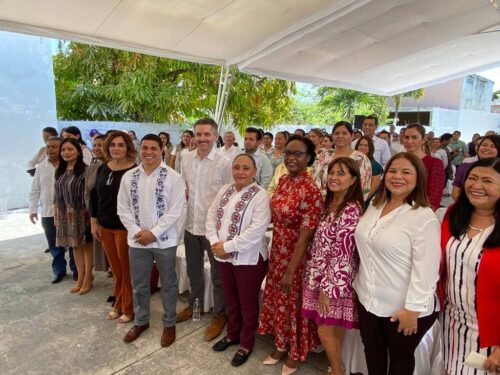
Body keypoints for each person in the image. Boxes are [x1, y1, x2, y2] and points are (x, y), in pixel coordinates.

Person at [354, 152, 441, 375]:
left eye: (406, 172)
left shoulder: (423, 217)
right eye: (392, 171)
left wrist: (413, 310)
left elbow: (427, 271)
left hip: (403, 307)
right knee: (373, 352)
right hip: (368, 298)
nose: (397, 176)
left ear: (418, 177)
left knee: (400, 361)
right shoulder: (375, 204)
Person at [258, 135, 322, 375]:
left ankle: (296, 352)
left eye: (298, 154)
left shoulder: (311, 190)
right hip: (278, 250)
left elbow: (306, 236)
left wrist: (290, 270)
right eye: (288, 153)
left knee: (293, 304)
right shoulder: (284, 181)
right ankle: (281, 344)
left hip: (296, 257)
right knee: (278, 301)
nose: (291, 158)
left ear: (309, 157)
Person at [117, 134, 185, 346]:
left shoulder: (173, 177)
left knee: (169, 284)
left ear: (162, 149)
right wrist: (139, 232)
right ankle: (141, 321)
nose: (148, 152)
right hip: (137, 241)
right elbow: (123, 208)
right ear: (139, 149)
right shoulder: (129, 176)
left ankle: (169, 323)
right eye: (144, 148)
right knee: (139, 285)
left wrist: (153, 233)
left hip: (164, 241)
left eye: (153, 148)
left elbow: (175, 211)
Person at [206, 154, 271, 367]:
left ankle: (246, 343)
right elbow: (211, 216)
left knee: (248, 303)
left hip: (248, 259)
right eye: (237, 167)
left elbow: (256, 231)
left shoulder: (260, 195)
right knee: (231, 298)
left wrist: (227, 247)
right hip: (223, 256)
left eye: (246, 168)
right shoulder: (225, 189)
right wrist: (216, 243)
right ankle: (232, 334)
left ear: (254, 171)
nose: (240, 172)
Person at [302, 157, 364, 375]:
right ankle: (336, 367)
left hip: (335, 282)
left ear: (353, 180)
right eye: (332, 172)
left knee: (326, 330)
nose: (334, 177)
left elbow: (343, 253)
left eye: (341, 173)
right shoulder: (330, 203)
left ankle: (337, 371)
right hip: (319, 274)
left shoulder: (351, 209)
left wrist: (327, 289)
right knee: (332, 329)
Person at [440, 157, 500, 375]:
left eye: (487, 181)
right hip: (451, 321)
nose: (476, 186)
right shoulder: (454, 214)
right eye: (472, 178)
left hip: (490, 331)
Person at [176, 118, 232, 341]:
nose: (202, 139)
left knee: (219, 277)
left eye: (207, 134)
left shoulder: (224, 162)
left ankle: (220, 315)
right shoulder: (185, 158)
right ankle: (195, 307)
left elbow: (230, 196)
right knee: (194, 272)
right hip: (191, 225)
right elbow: (185, 188)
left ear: (216, 136)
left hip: (214, 231)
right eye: (198, 134)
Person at [91, 131, 137, 323]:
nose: (116, 148)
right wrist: (94, 220)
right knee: (116, 271)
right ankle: (118, 303)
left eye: (120, 145)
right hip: (105, 226)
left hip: (124, 228)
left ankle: (128, 307)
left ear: (128, 148)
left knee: (126, 271)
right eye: (112, 145)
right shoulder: (103, 168)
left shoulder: (134, 171)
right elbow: (95, 196)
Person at [29, 136, 72, 283]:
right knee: (54, 244)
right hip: (48, 212)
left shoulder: (69, 166)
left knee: (72, 243)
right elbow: (35, 190)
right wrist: (32, 209)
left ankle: (76, 269)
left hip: (69, 212)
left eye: (54, 146)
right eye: (48, 147)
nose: (50, 149)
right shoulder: (41, 167)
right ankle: (59, 270)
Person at [54, 138, 93, 294]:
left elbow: (90, 195)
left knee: (86, 246)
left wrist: (91, 216)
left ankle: (88, 277)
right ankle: (81, 277)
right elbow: (56, 195)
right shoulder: (60, 170)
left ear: (78, 151)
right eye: (63, 150)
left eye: (70, 149)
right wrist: (57, 213)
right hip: (65, 214)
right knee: (74, 246)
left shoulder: (86, 170)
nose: (66, 153)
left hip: (82, 213)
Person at [314, 121, 371, 200]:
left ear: (352, 136)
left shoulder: (361, 159)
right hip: (319, 203)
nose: (340, 136)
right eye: (336, 133)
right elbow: (314, 179)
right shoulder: (323, 155)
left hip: (347, 207)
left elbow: (363, 189)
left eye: (344, 133)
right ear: (332, 136)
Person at [402, 123, 445, 210]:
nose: (409, 141)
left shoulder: (434, 163)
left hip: (420, 211)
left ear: (423, 139)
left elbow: (434, 197)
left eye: (414, 137)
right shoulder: (398, 161)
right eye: (406, 137)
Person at [84, 135, 109, 276]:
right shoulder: (93, 168)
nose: (97, 148)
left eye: (101, 145)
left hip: (110, 217)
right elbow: (89, 193)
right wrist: (92, 216)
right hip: (94, 214)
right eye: (95, 145)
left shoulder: (116, 168)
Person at [451, 135, 500, 201]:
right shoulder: (465, 166)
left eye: (493, 146)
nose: (487, 148)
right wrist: (466, 208)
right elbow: (456, 190)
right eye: (484, 145)